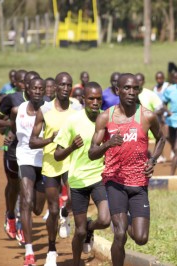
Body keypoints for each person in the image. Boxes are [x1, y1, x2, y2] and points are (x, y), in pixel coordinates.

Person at [88, 73, 165, 266]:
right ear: (117, 90)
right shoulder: (105, 118)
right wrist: (108, 144)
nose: (131, 92)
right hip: (115, 182)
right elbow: (92, 152)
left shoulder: (147, 116)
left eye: (135, 88)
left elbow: (161, 138)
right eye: (127, 88)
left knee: (141, 238)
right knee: (120, 234)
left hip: (139, 182)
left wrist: (153, 160)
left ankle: (126, 216)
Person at [54, 82, 111, 266]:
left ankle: (90, 227)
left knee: (104, 219)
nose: (95, 102)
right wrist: (72, 147)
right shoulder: (72, 121)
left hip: (99, 177)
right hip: (78, 180)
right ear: (83, 99)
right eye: (91, 99)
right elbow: (57, 154)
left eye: (98, 99)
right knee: (78, 232)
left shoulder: (107, 118)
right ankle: (76, 261)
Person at [29, 72, 82, 265]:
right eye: (62, 85)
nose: (66, 88)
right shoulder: (45, 110)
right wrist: (51, 139)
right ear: (55, 87)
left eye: (69, 85)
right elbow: (32, 142)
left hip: (70, 160)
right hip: (51, 162)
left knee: (74, 199)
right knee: (51, 209)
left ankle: (65, 214)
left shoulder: (77, 110)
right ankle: (52, 250)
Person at [0, 70, 40, 246]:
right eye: (28, 84)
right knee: (14, 186)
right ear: (22, 85)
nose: (33, 89)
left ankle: (22, 225)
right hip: (12, 150)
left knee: (28, 192)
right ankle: (10, 215)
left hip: (33, 152)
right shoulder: (11, 100)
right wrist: (11, 124)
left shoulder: (44, 101)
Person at [10, 78, 47, 266]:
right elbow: (11, 125)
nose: (38, 91)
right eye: (35, 88)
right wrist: (10, 135)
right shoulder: (19, 110)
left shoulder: (49, 109)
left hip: (45, 160)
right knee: (26, 201)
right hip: (25, 158)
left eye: (41, 88)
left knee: (38, 209)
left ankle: (31, 209)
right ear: (28, 90)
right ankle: (29, 251)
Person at [152, 71, 170, 163]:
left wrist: (166, 111)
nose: (159, 80)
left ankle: (176, 150)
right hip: (158, 114)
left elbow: (168, 101)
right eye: (158, 78)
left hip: (167, 113)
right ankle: (161, 156)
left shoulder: (167, 86)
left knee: (168, 135)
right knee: (160, 136)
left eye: (161, 78)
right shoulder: (154, 88)